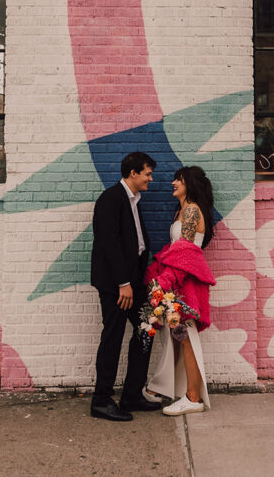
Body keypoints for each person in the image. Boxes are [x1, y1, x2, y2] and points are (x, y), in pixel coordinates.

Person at [89, 151, 163, 421]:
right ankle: (101, 400)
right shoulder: (110, 199)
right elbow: (109, 244)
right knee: (113, 336)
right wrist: (123, 283)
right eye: (147, 174)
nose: (150, 179)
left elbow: (134, 243)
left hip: (133, 284)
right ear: (133, 173)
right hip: (116, 286)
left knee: (147, 328)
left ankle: (132, 394)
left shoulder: (133, 200)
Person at [144, 166, 217, 416]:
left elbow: (185, 255)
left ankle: (193, 398)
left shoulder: (192, 210)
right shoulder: (182, 210)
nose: (174, 182)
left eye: (179, 179)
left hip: (184, 283)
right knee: (177, 338)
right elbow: (176, 250)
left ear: (190, 184)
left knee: (186, 339)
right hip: (176, 282)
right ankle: (162, 388)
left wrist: (163, 282)